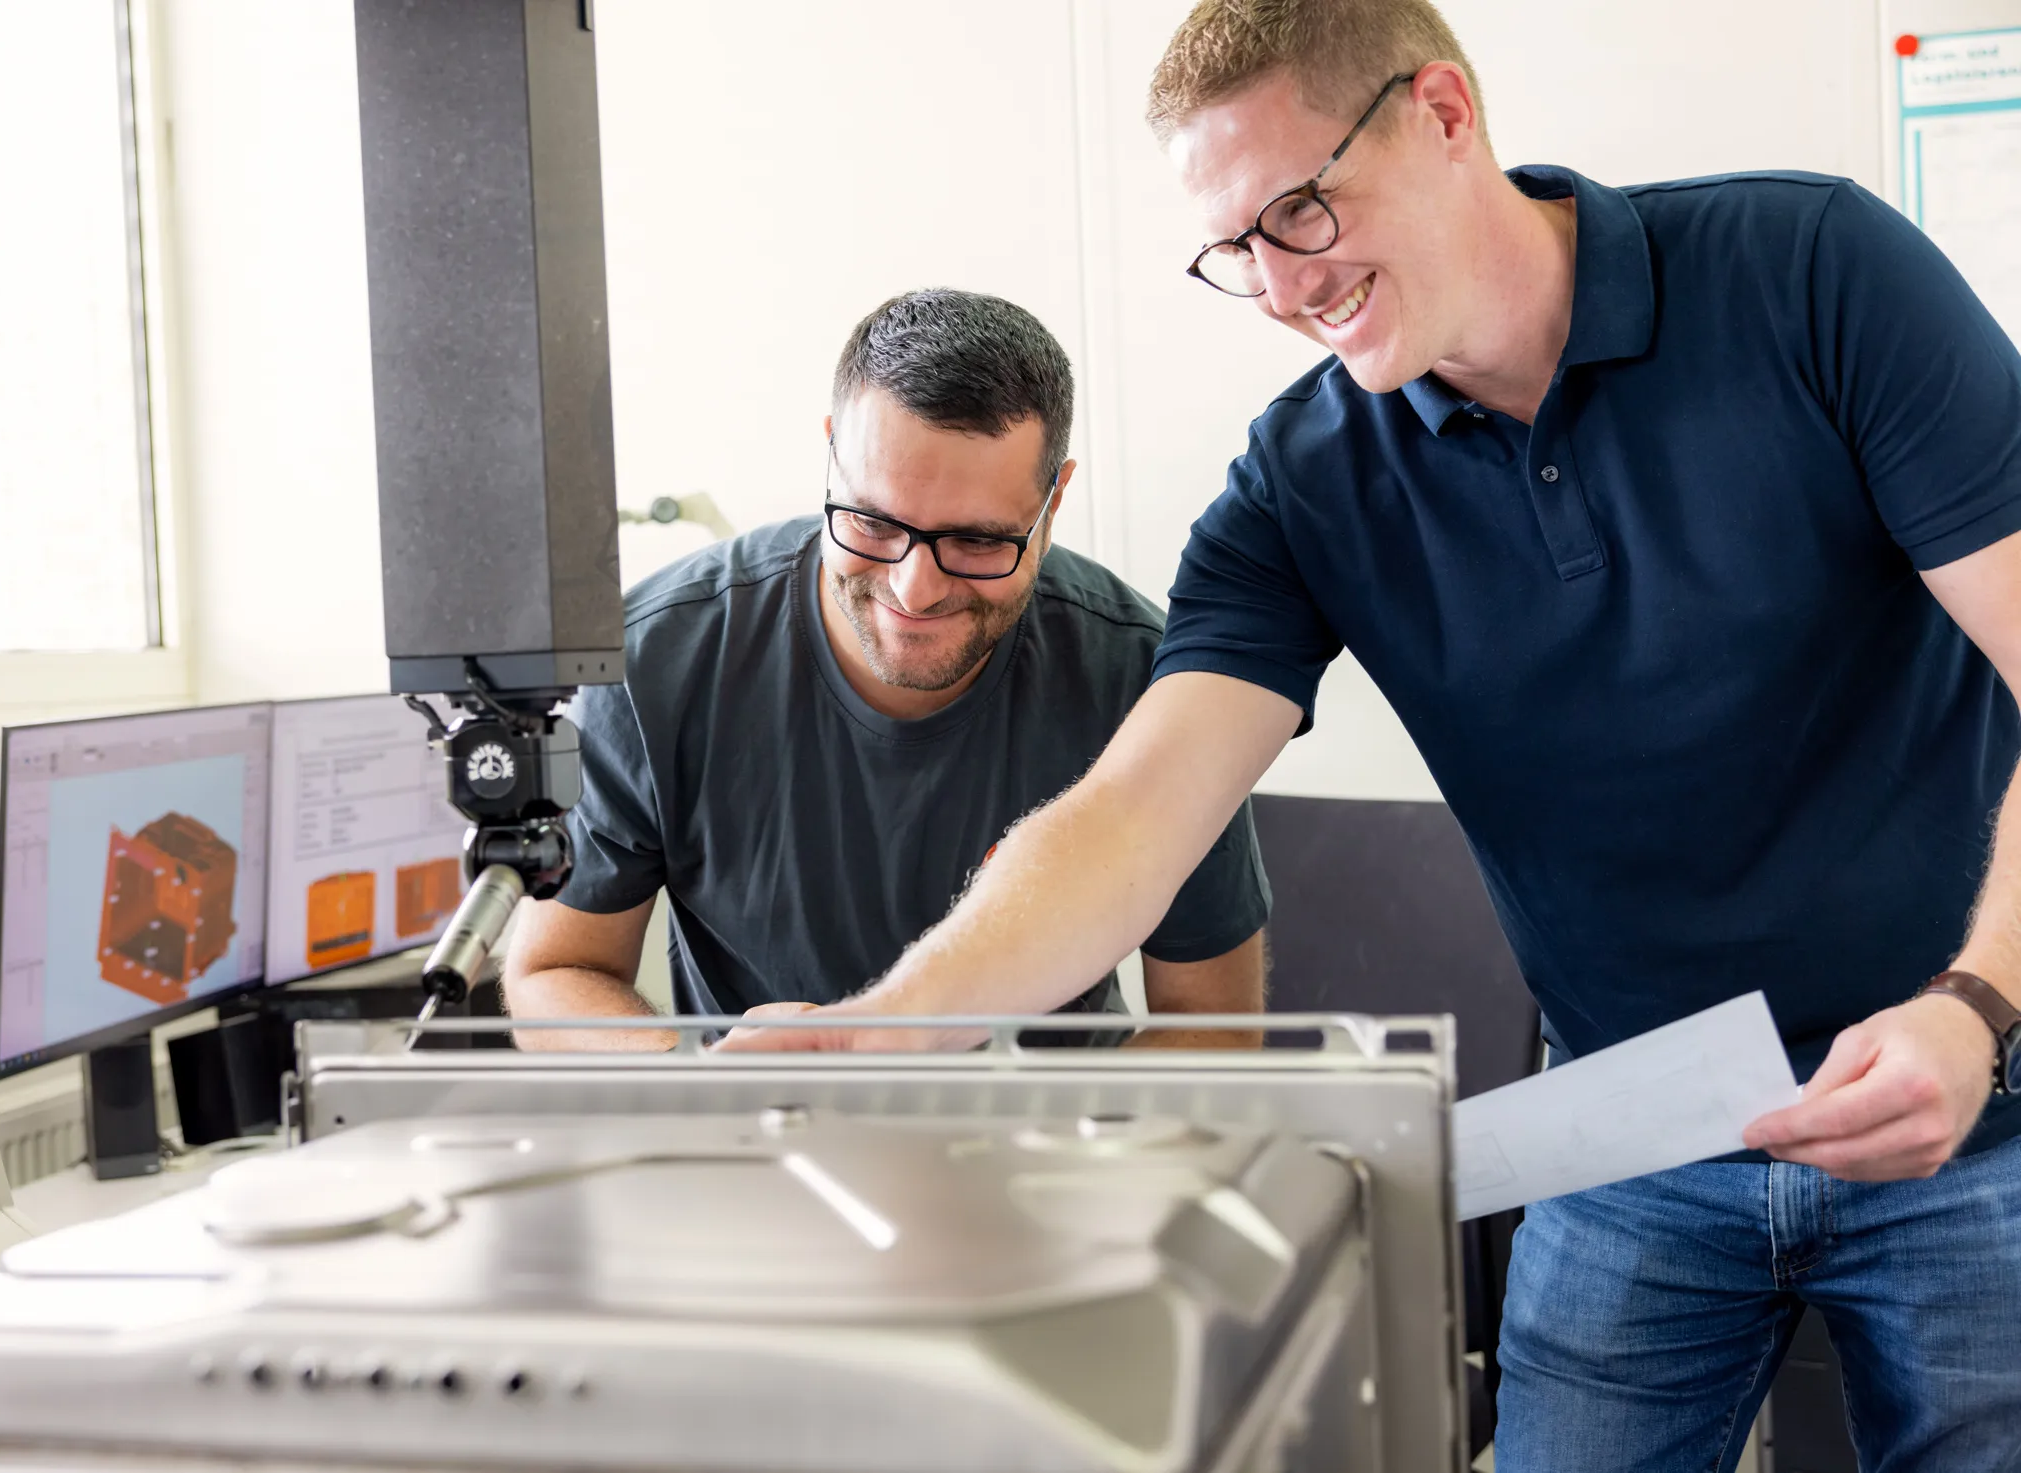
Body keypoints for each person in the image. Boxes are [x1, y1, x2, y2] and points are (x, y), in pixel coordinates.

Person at [720, 3, 2021, 1467]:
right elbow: (1133, 817)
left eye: (1301, 208)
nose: (1283, 285)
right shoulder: (1304, 482)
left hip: (1980, 1092)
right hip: (1641, 1127)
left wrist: (1977, 1003)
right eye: (1236, 250)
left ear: (1446, 114)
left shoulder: (1814, 274)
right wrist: (891, 1024)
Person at [501, 288, 1271, 1052]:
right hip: (757, 1138)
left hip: (1052, 1148)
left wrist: (1055, 1156)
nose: (915, 588)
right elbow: (553, 968)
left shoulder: (1149, 676)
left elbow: (1211, 1023)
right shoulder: (655, 662)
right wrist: (698, 1079)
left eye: (976, 541)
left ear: (1053, 500)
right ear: (833, 452)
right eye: (871, 522)